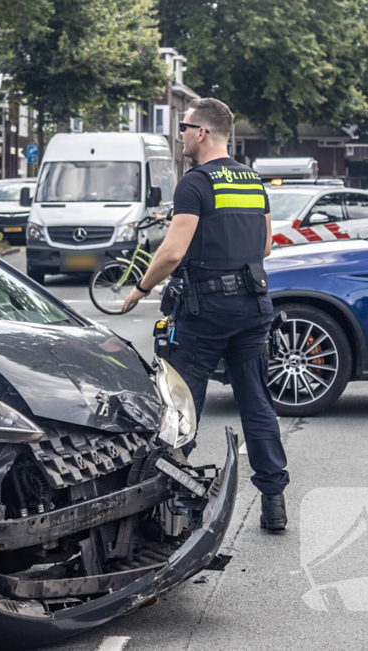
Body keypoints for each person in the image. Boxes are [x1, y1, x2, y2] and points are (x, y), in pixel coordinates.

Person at [121, 98, 289, 531]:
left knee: (183, 406)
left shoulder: (194, 183)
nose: (179, 135)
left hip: (205, 311)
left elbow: (172, 252)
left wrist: (140, 288)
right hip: (253, 305)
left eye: (184, 126)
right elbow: (266, 247)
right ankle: (274, 503)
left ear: (202, 133)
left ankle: (166, 504)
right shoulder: (253, 181)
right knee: (256, 403)